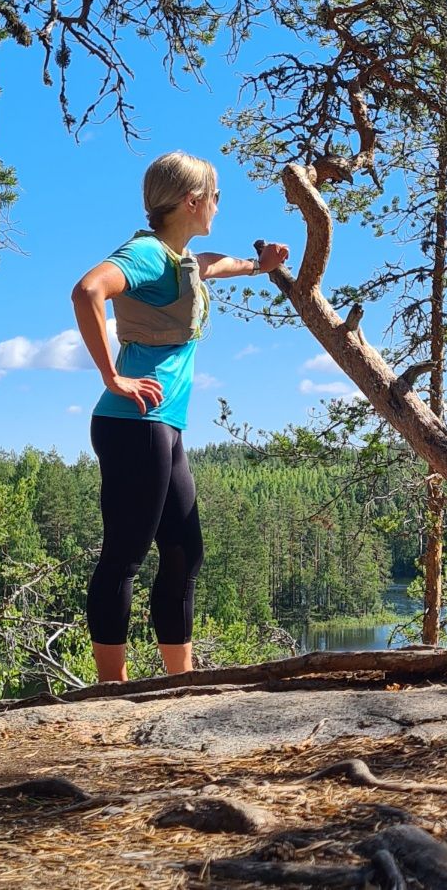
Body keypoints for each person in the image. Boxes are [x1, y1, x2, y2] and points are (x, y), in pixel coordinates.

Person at [72, 151, 289, 682]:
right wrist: (112, 376)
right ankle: (110, 689)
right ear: (193, 201)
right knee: (125, 555)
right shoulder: (145, 255)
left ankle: (179, 682)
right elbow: (88, 291)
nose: (218, 205)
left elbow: (212, 264)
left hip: (161, 427)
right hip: (133, 424)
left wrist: (262, 265)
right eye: (215, 196)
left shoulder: (177, 259)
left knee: (184, 550)